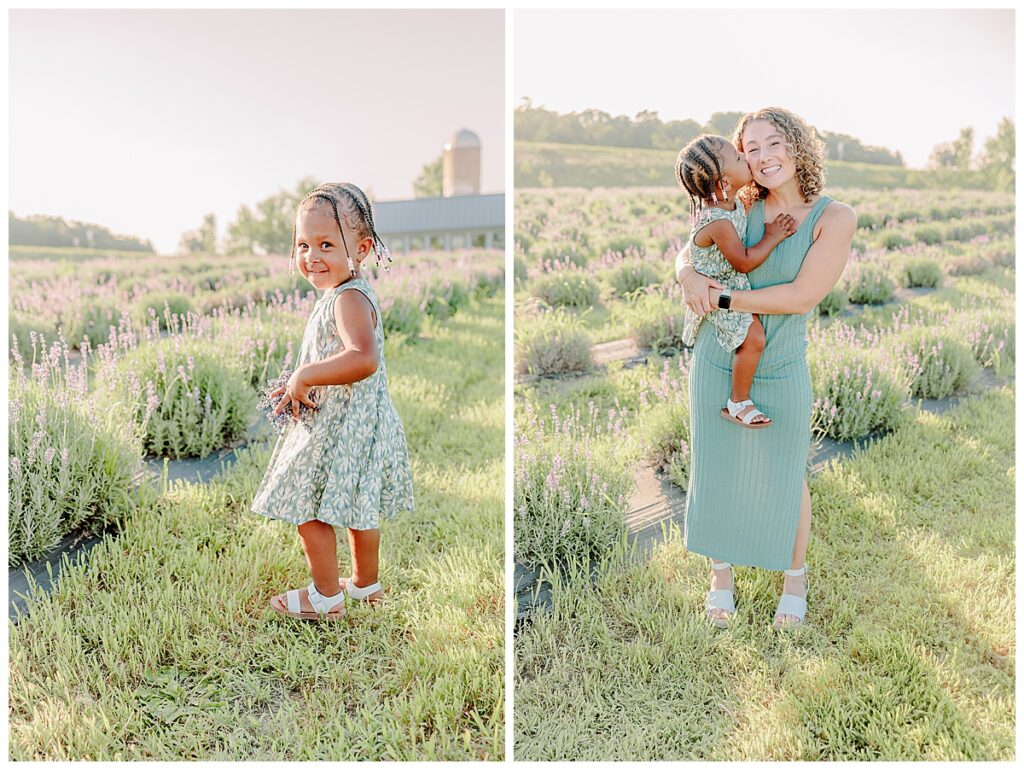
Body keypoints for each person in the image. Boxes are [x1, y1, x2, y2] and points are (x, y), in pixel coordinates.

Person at [675, 108, 856, 629]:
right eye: (749, 149)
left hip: (779, 361)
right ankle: (720, 578)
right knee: (717, 465)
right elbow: (692, 247)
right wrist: (687, 273)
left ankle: (793, 581)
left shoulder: (833, 217)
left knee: (787, 470)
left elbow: (801, 296)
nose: (761, 156)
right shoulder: (740, 203)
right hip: (718, 356)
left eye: (772, 143)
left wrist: (719, 296)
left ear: (798, 146)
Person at [251, 182, 414, 621]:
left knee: (305, 504)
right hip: (360, 424)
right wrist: (297, 386)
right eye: (303, 244)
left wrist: (304, 375)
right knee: (360, 505)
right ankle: (365, 586)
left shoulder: (348, 300)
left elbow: (363, 359)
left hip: (339, 427)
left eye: (326, 244)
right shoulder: (347, 293)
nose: (312, 256)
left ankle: (325, 598)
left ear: (360, 249)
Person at [675, 134, 796, 429]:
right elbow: (742, 261)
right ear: (725, 184)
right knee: (753, 339)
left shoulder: (734, 203)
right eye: (740, 158)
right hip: (717, 291)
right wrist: (772, 236)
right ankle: (738, 402)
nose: (746, 156)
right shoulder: (718, 220)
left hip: (730, 284)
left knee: (752, 336)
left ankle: (739, 399)